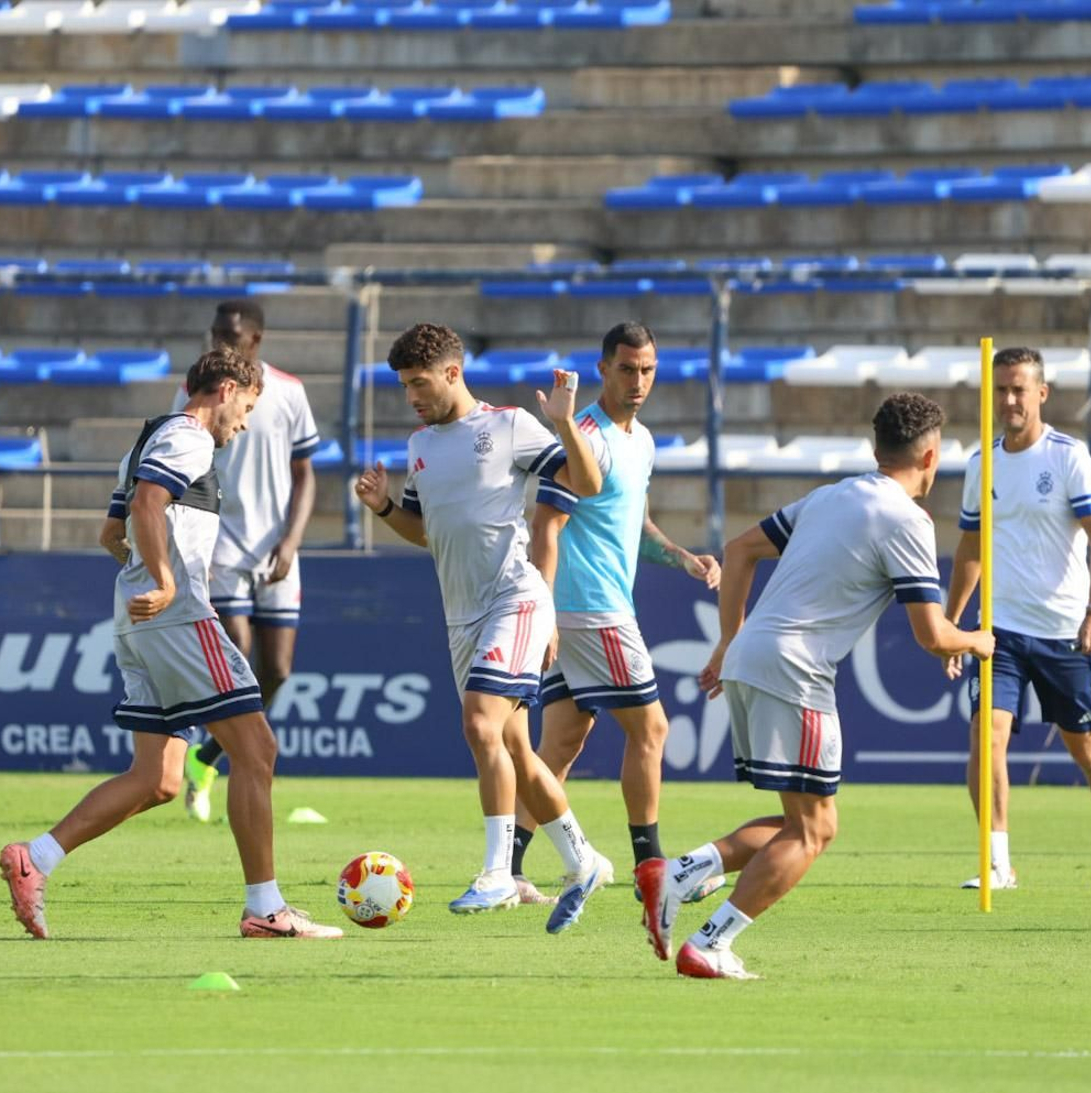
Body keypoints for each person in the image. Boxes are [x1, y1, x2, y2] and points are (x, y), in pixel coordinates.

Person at [0, 346, 341, 940]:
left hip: (138, 622)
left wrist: (145, 574)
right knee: (256, 749)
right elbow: (147, 503)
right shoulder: (190, 437)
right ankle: (265, 908)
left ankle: (37, 858)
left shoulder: (148, 439)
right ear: (227, 389)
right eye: (248, 408)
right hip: (179, 617)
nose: (245, 424)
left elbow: (112, 532)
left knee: (157, 778)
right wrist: (164, 580)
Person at [652, 393, 993, 979]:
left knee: (801, 822)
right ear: (930, 457)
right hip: (796, 670)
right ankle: (709, 942)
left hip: (752, 657)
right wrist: (979, 640)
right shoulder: (908, 520)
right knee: (815, 830)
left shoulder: (832, 495)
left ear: (876, 448)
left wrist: (729, 641)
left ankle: (679, 874)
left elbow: (739, 550)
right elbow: (933, 636)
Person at [353, 322, 612, 932]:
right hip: (461, 616)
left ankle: (497, 873)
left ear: (453, 373)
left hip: (515, 598)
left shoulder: (509, 425)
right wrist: (384, 507)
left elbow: (589, 483)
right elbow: (426, 531)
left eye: (419, 383)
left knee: (478, 722)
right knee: (515, 748)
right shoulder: (420, 444)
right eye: (404, 386)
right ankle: (583, 860)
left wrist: (564, 424)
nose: (411, 396)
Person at [509, 323, 725, 940]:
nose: (638, 381)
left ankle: (508, 868)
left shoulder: (641, 440)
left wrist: (681, 557)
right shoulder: (584, 438)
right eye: (627, 369)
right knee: (651, 729)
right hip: (592, 609)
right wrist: (544, 610)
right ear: (604, 370)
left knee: (560, 744)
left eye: (648, 369)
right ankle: (649, 867)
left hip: (581, 609)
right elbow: (546, 524)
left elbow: (636, 523)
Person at [945, 347, 1091, 891]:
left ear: (1041, 394)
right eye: (1000, 389)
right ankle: (997, 863)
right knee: (987, 738)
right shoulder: (982, 464)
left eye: (1019, 389)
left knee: (1088, 751)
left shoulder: (1068, 457)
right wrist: (952, 626)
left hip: (1065, 632)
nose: (1009, 400)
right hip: (998, 630)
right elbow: (970, 549)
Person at [147, 301, 319, 823]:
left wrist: (291, 541)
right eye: (217, 332)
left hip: (274, 545)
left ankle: (206, 757)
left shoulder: (288, 391)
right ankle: (243, 754)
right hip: (219, 542)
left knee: (278, 670)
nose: (221, 341)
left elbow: (305, 474)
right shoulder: (197, 390)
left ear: (256, 339)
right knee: (236, 653)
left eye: (231, 334)